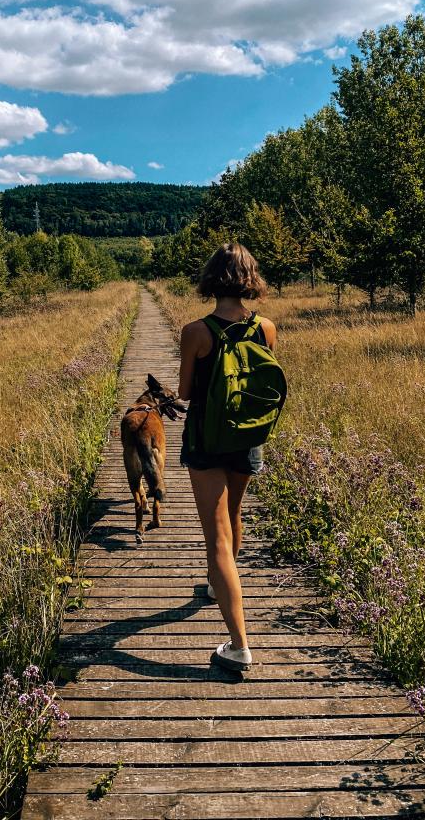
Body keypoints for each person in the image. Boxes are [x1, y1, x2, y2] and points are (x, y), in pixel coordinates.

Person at [178, 242, 277, 672]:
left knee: (216, 536)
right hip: (247, 436)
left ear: (211, 278)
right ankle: (220, 588)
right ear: (250, 278)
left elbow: (184, 392)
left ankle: (238, 646)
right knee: (234, 515)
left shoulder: (196, 331)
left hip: (206, 439)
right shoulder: (266, 328)